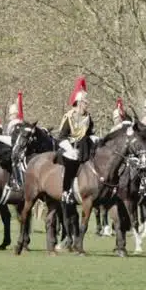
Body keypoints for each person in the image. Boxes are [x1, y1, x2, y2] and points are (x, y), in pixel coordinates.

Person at [56, 77, 93, 205]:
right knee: (71, 162)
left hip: (85, 148)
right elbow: (61, 136)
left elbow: (90, 133)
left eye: (86, 102)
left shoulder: (88, 118)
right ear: (78, 102)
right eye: (84, 102)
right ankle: (66, 191)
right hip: (69, 147)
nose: (86, 104)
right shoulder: (69, 117)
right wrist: (71, 149)